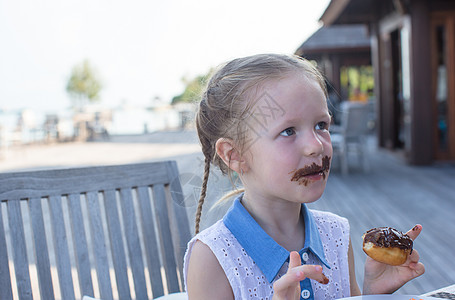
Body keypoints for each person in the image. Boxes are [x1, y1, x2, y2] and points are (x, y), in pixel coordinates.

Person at [184, 54, 425, 300]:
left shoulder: (337, 234)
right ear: (234, 155)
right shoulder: (213, 257)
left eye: (321, 125)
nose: (316, 146)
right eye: (288, 131)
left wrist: (374, 294)